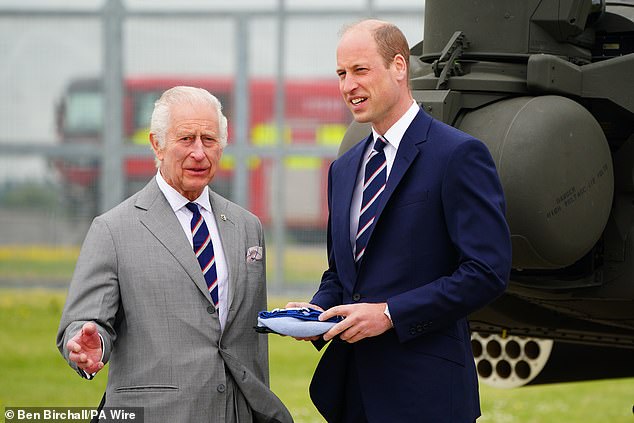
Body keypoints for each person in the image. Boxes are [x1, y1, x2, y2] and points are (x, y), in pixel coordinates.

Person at [287, 19, 512, 422]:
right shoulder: (344, 168)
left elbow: (486, 271)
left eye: (360, 70)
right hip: (351, 393)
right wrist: (314, 312)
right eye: (341, 73)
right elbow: (341, 275)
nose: (347, 85)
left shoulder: (458, 155)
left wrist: (390, 314)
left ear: (398, 66)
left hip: (426, 394)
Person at [57, 86, 293, 423]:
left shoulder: (246, 227)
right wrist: (89, 347)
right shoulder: (113, 229)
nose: (199, 152)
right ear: (157, 144)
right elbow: (86, 322)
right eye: (187, 139)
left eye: (209, 140)